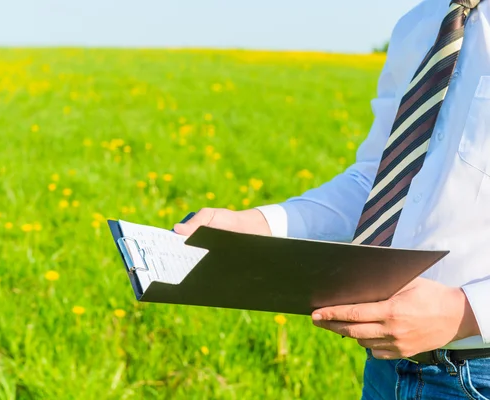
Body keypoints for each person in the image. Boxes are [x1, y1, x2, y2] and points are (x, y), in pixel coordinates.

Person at [174, 0, 490, 398]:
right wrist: (258, 224)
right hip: (386, 371)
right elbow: (378, 182)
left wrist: (464, 313)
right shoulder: (419, 26)